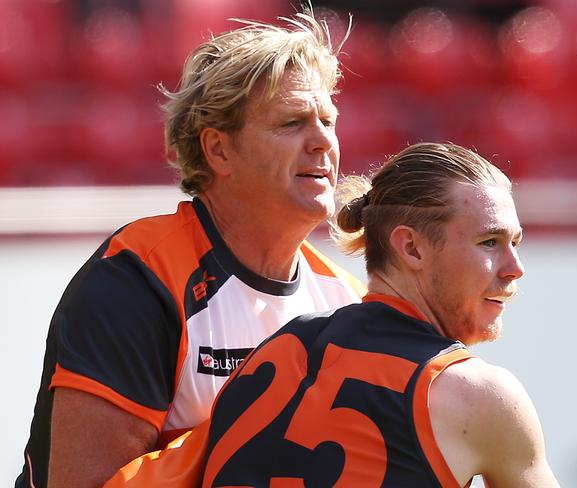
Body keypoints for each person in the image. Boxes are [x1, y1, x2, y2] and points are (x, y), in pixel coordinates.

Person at [16, 7, 364, 488]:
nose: (323, 141)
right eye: (292, 123)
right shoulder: (137, 278)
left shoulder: (347, 302)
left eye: (329, 120)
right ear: (218, 150)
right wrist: (251, 429)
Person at [104, 142, 560, 487]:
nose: (514, 268)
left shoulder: (276, 350)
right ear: (411, 247)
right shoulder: (479, 395)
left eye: (514, 243)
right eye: (489, 243)